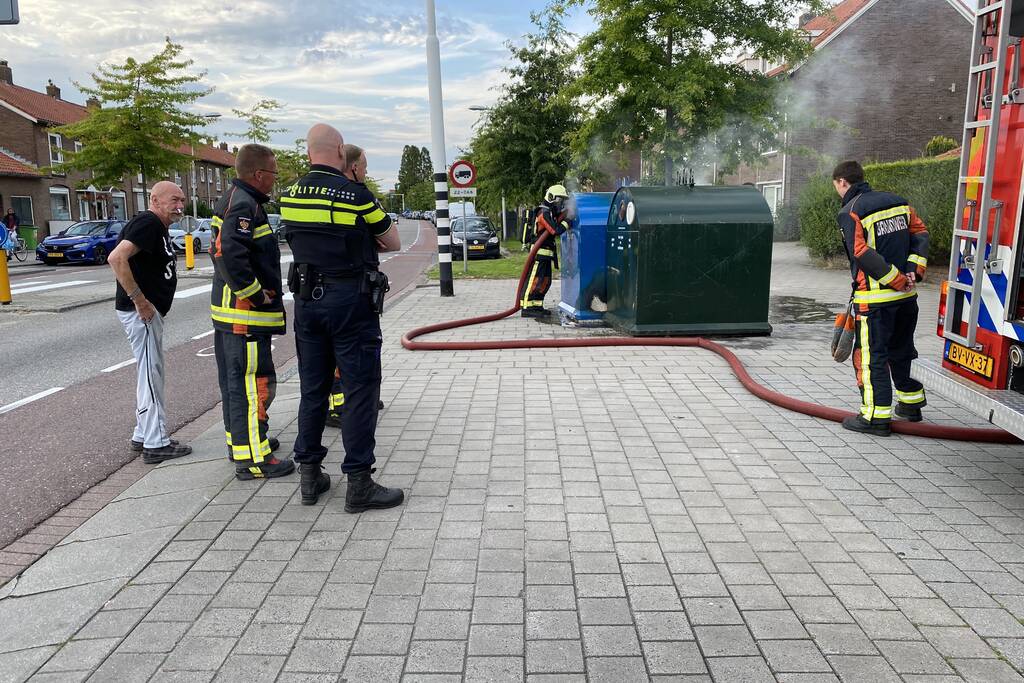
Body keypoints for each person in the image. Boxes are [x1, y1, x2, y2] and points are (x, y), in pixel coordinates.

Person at [280, 124, 403, 509]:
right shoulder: (355, 195)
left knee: (313, 389)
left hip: (307, 303)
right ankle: (359, 483)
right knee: (360, 389)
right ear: (338, 150)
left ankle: (310, 477)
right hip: (350, 301)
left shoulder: (290, 195)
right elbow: (392, 240)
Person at [210, 143, 294, 480]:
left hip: (236, 317)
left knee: (236, 385)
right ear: (259, 174)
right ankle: (254, 460)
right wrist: (257, 295)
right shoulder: (243, 206)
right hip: (244, 317)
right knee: (252, 385)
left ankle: (242, 444)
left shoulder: (240, 200)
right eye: (273, 173)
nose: (275, 180)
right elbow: (229, 254)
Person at [833, 160, 929, 437]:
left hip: (875, 302)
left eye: (836, 186)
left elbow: (861, 253)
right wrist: (913, 272)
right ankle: (911, 405)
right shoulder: (898, 202)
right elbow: (920, 234)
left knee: (871, 357)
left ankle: (875, 418)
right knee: (901, 350)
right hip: (907, 299)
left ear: (842, 182)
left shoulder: (850, 211)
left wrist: (895, 279)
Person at [109, 181, 193, 463]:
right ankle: (156, 444)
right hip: (142, 313)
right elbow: (116, 258)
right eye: (173, 200)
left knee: (149, 372)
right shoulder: (147, 223)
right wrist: (140, 300)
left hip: (148, 312)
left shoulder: (157, 227)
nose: (180, 206)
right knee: (151, 375)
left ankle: (143, 434)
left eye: (182, 200)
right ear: (155, 200)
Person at [324, 143, 385, 429]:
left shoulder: (321, 196)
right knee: (352, 350)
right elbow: (389, 239)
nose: (366, 172)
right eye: (365, 167)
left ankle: (345, 402)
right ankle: (346, 405)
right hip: (353, 289)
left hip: (320, 292)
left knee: (330, 353)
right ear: (354, 167)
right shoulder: (359, 196)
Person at [521, 184, 570, 317]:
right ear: (551, 197)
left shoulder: (551, 212)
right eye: (559, 200)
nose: (561, 203)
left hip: (546, 253)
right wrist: (567, 222)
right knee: (535, 280)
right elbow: (555, 230)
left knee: (545, 281)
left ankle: (537, 306)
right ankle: (527, 307)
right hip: (539, 253)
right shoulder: (543, 213)